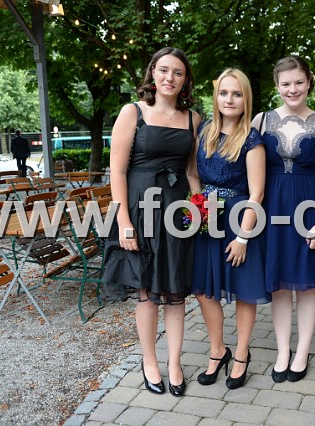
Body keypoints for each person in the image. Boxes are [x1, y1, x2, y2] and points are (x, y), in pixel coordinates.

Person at [100, 47, 201, 397]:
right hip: (140, 209)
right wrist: (123, 221)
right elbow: (117, 171)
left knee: (175, 291)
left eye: (178, 72)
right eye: (164, 70)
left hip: (177, 212)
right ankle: (149, 362)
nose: (170, 78)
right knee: (146, 292)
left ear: (185, 80)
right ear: (153, 73)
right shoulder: (133, 112)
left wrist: (200, 208)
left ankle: (174, 363)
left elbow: (191, 172)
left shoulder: (193, 119)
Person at [251, 56, 315, 383]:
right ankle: (282, 350)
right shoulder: (261, 121)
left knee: (306, 283)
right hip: (270, 208)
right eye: (285, 84)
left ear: (309, 82)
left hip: (308, 208)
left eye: (299, 82)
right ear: (277, 86)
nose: (292, 89)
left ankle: (302, 351)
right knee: (279, 284)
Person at [192, 68, 268, 390]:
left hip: (240, 219)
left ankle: (241, 353)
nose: (229, 99)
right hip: (206, 216)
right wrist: (197, 205)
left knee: (243, 289)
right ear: (216, 96)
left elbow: (257, 193)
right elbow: (192, 173)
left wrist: (242, 238)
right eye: (224, 93)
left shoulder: (251, 139)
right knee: (202, 288)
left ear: (245, 99)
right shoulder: (204, 131)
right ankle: (217, 350)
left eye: (237, 94)